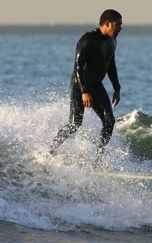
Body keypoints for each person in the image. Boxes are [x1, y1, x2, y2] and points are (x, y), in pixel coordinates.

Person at [49, 9, 123, 169]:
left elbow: (111, 65)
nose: (120, 28)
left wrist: (116, 88)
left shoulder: (112, 41)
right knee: (75, 124)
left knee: (109, 121)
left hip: (97, 85)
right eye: (117, 25)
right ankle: (51, 151)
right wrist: (84, 91)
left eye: (121, 25)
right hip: (79, 85)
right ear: (107, 24)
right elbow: (78, 66)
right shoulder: (88, 39)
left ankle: (97, 159)